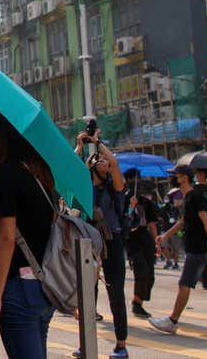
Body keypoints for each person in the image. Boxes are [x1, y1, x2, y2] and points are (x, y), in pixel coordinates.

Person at [0, 112, 56, 359]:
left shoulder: (7, 174)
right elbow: (1, 218)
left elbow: (6, 236)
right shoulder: (42, 174)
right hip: (43, 287)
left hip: (17, 291)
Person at [149, 164, 207, 337]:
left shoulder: (195, 197)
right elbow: (184, 221)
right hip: (199, 248)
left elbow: (206, 221)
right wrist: (165, 235)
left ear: (184, 177)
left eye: (175, 176)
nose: (173, 179)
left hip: (198, 250)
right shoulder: (188, 198)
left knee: (184, 284)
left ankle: (172, 321)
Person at [77, 127, 129, 359]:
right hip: (88, 244)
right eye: (96, 159)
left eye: (104, 160)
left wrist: (97, 144)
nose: (101, 161)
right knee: (87, 293)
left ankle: (121, 344)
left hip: (113, 242)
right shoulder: (84, 185)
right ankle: (86, 341)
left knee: (115, 291)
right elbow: (69, 166)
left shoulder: (115, 187)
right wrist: (81, 145)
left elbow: (116, 164)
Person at [123, 172, 158, 320]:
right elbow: (122, 219)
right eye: (132, 179)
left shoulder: (145, 202)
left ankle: (140, 301)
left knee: (150, 273)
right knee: (141, 270)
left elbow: (152, 223)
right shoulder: (124, 200)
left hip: (145, 238)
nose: (135, 181)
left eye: (137, 178)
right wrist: (130, 208)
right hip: (131, 239)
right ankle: (136, 303)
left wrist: (157, 241)